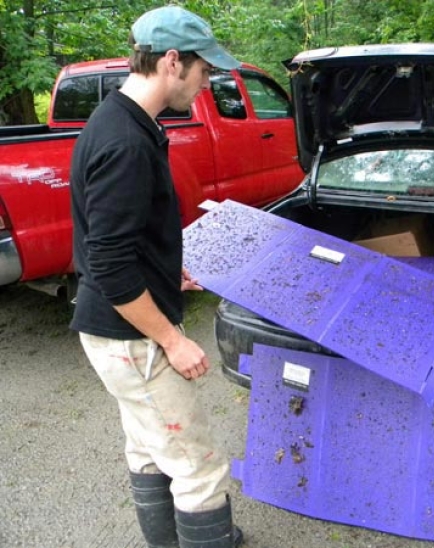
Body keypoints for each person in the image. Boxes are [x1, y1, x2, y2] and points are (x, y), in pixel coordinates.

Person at [70, 6, 244, 548]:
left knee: (148, 445)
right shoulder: (125, 143)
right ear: (172, 61)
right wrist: (172, 338)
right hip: (134, 341)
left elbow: (127, 241)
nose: (206, 84)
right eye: (203, 72)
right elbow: (111, 264)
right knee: (198, 466)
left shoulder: (121, 119)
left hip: (113, 332)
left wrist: (170, 273)